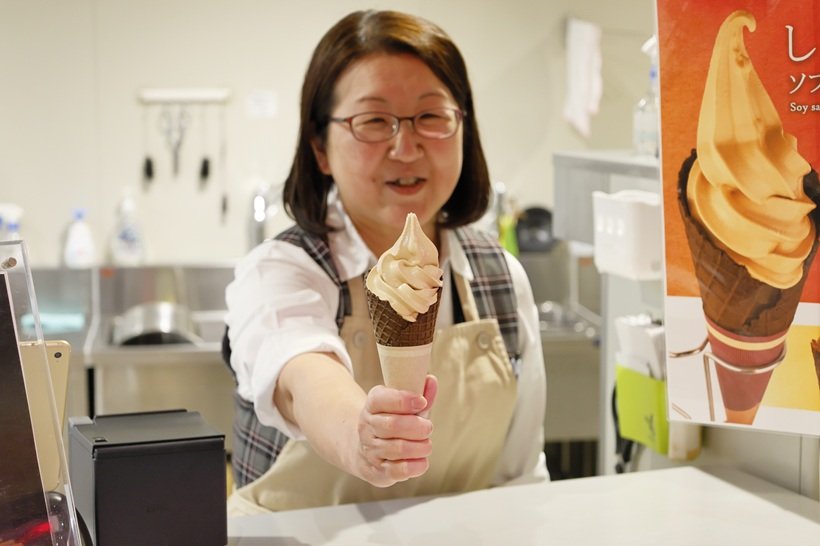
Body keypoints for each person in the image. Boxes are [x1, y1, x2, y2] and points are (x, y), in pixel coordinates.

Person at [223, 9, 547, 514]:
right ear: (321, 148)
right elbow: (304, 377)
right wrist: (362, 436)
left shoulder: (501, 277)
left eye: (431, 117)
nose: (405, 145)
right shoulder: (282, 271)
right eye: (374, 121)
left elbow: (519, 475)